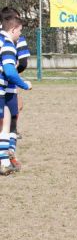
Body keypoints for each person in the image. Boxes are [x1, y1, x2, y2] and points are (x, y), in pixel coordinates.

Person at [0, 13, 32, 175]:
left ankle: (6, 160)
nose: (20, 35)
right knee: (6, 125)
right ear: (13, 29)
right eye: (19, 31)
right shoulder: (7, 43)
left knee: (5, 122)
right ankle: (5, 161)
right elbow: (11, 71)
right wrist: (24, 84)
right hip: (5, 89)